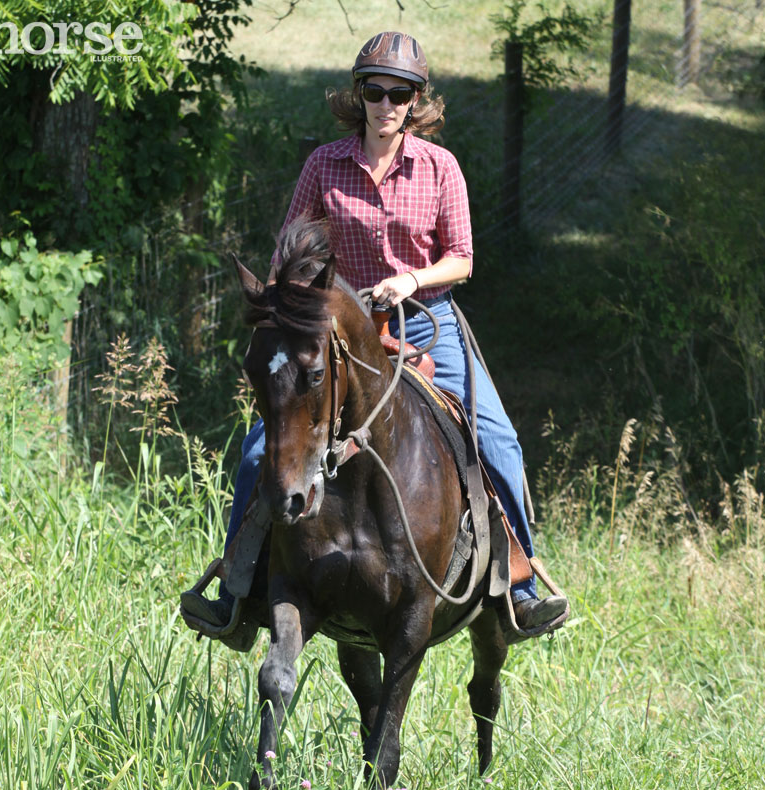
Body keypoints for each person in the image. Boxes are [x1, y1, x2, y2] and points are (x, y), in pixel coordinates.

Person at [182, 31, 567, 633]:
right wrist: (307, 299)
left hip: (428, 320)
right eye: (376, 91)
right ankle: (236, 590)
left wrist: (411, 280)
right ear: (358, 95)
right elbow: (292, 249)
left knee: (499, 442)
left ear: (416, 101)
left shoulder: (441, 168)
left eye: (401, 93)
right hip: (337, 330)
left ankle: (516, 584)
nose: (387, 105)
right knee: (259, 448)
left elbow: (462, 258)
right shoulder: (324, 165)